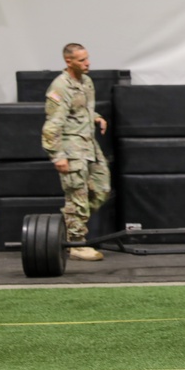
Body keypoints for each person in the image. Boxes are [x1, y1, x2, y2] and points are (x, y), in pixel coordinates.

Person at [41, 43, 111, 261]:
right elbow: (52, 125)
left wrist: (96, 116)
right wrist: (57, 156)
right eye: (81, 60)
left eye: (87, 58)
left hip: (89, 145)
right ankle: (76, 242)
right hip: (71, 148)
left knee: (102, 188)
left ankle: (68, 226)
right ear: (68, 61)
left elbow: (81, 110)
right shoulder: (60, 87)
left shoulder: (86, 82)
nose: (87, 63)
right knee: (76, 195)